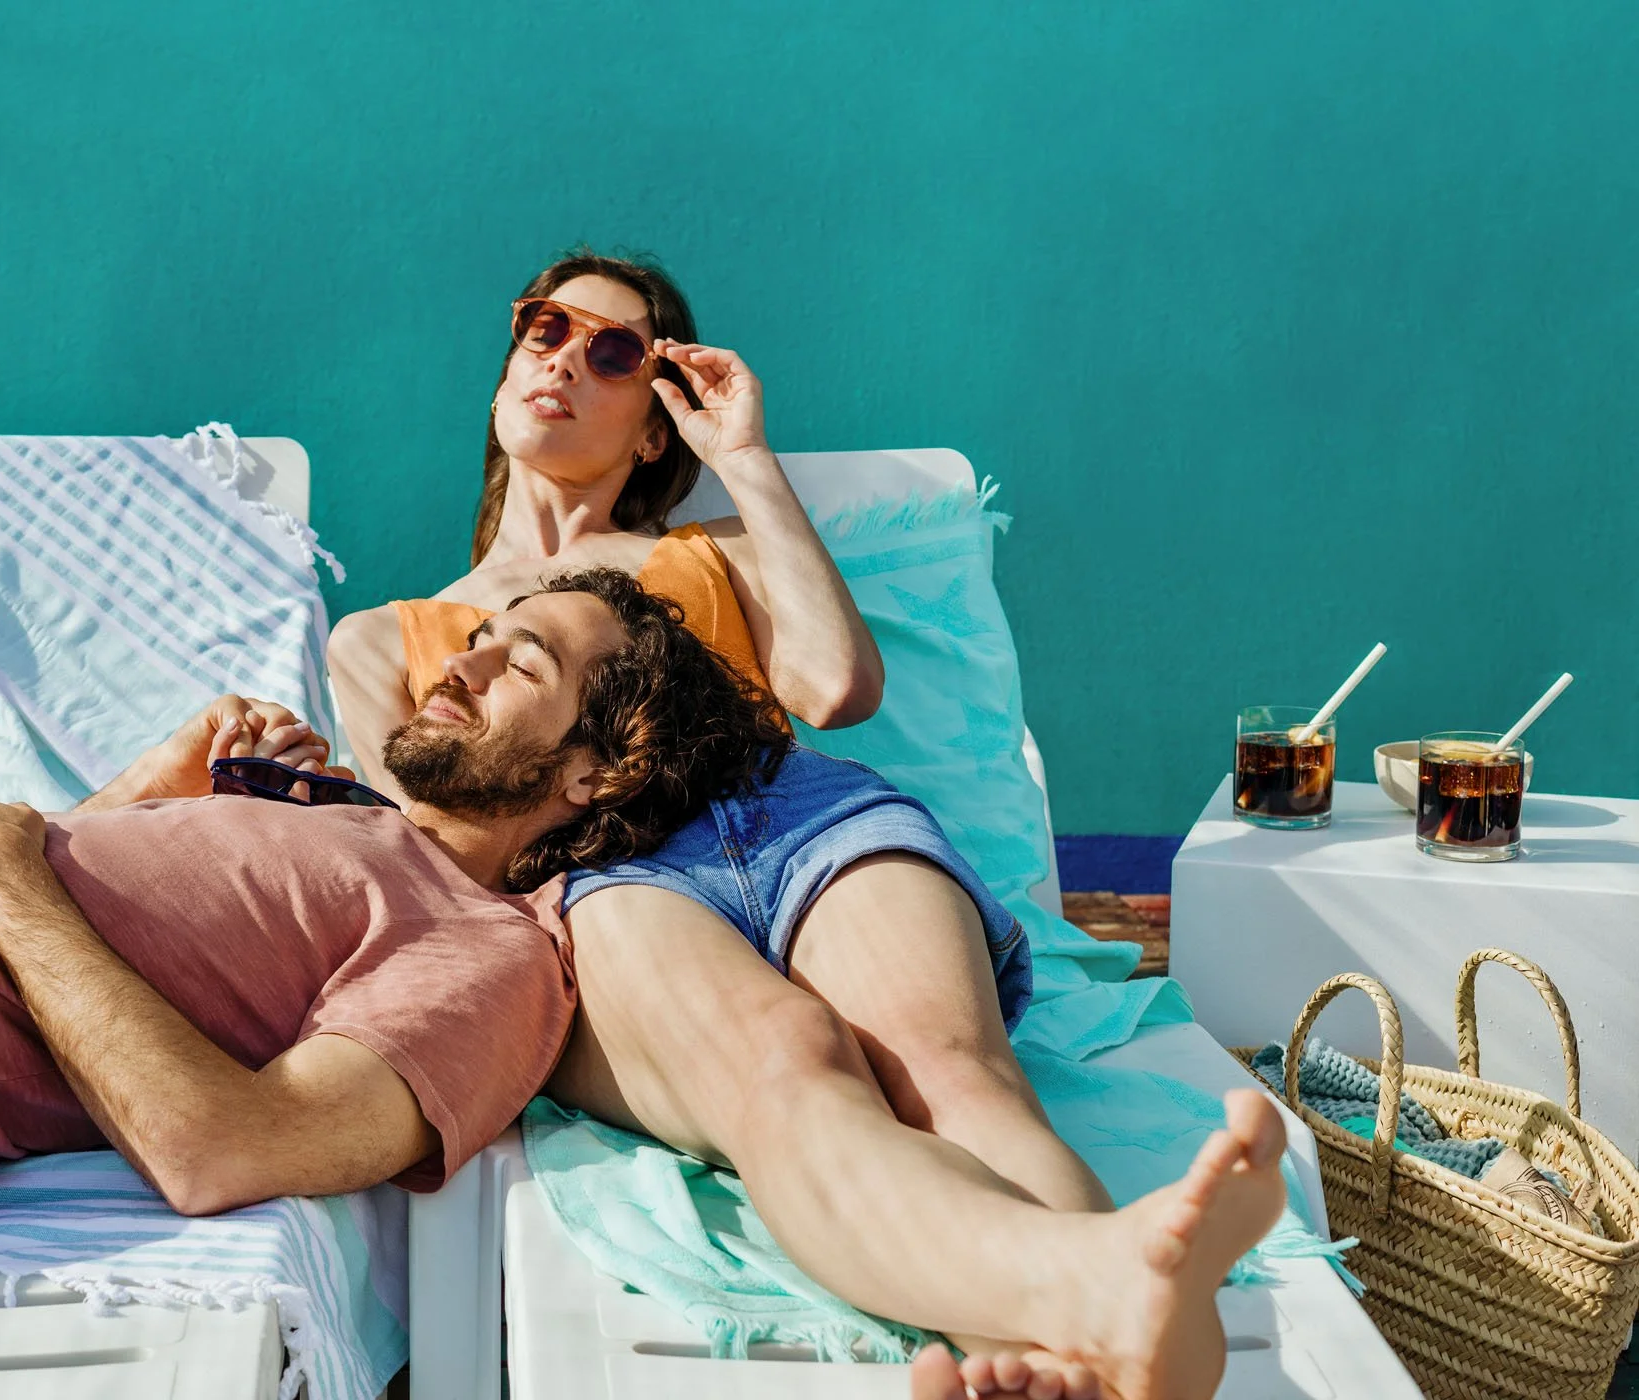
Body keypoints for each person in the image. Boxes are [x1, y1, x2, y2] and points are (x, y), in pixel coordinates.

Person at [329, 251, 1287, 1400]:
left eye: (616, 349)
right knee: (787, 1064)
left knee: (953, 1073)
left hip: (798, 819)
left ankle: (1086, 1338)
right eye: (545, 328)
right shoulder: (385, 641)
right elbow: (416, 856)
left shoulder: (707, 553)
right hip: (601, 877)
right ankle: (1096, 1301)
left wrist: (742, 456)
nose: (568, 357)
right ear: (507, 364)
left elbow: (836, 684)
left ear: (652, 428)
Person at [0, 570, 785, 1269]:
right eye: (481, 634)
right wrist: (143, 792)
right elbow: (41, 942)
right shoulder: (347, 816)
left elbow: (220, 1146)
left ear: (598, 773)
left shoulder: (491, 955)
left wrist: (3, 863)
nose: (455, 663)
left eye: (522, 665)